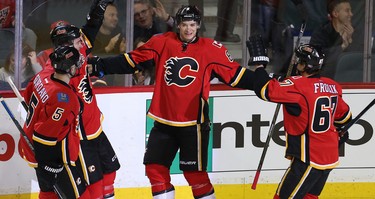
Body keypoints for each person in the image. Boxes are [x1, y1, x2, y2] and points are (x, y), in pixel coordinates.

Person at [88, 5, 259, 198]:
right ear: (177, 25)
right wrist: (100, 66)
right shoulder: (161, 42)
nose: (188, 29)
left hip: (193, 125)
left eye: (192, 25)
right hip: (163, 122)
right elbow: (131, 60)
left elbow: (237, 75)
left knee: (195, 176)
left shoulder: (211, 49)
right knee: (154, 169)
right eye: (184, 24)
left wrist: (264, 81)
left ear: (198, 25)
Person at [247, 35, 352, 198]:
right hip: (329, 156)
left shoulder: (297, 86)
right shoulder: (332, 86)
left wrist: (260, 65)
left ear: (305, 65)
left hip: (309, 158)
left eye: (299, 61)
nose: (296, 63)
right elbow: (344, 118)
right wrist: (342, 131)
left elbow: (264, 90)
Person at [41, 0, 121, 198]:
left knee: (110, 170)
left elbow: (90, 30)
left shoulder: (78, 52)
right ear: (66, 47)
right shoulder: (56, 73)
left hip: (95, 127)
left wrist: (98, 9)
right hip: (80, 136)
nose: (82, 43)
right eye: (77, 41)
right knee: (94, 182)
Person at [19, 46, 90, 199]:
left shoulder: (43, 75)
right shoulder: (64, 99)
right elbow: (44, 136)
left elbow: (27, 95)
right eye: (75, 64)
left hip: (35, 148)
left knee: (48, 193)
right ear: (70, 68)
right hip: (54, 156)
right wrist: (50, 166)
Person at [309, 0, 354, 79]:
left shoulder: (356, 32)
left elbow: (362, 58)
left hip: (351, 77)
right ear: (335, 13)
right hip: (325, 80)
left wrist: (351, 40)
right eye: (347, 11)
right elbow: (316, 57)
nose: (351, 14)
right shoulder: (321, 32)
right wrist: (342, 47)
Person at [92, 2, 126, 86]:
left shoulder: (120, 35)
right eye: (112, 15)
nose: (116, 18)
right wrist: (108, 48)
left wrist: (123, 52)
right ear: (101, 17)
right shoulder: (91, 37)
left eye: (116, 15)